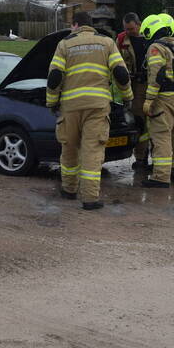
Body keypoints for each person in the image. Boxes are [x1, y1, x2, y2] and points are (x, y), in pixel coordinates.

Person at [47, 11, 132, 210]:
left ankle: (68, 190)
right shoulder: (107, 42)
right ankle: (90, 198)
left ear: (75, 25)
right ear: (91, 24)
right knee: (92, 151)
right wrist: (127, 97)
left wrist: (52, 102)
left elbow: (55, 76)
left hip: (70, 106)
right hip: (97, 106)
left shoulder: (64, 44)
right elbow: (121, 73)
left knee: (69, 149)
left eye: (71, 26)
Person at [140, 13, 174, 188]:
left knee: (161, 137)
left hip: (164, 100)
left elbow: (156, 77)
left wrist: (148, 100)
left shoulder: (156, 48)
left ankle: (161, 177)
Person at [116, 13, 151, 170]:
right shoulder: (122, 40)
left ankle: (160, 159)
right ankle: (141, 158)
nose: (128, 31)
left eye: (131, 28)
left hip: (151, 84)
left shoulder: (150, 36)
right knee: (139, 122)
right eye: (126, 28)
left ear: (139, 24)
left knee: (157, 122)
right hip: (134, 85)